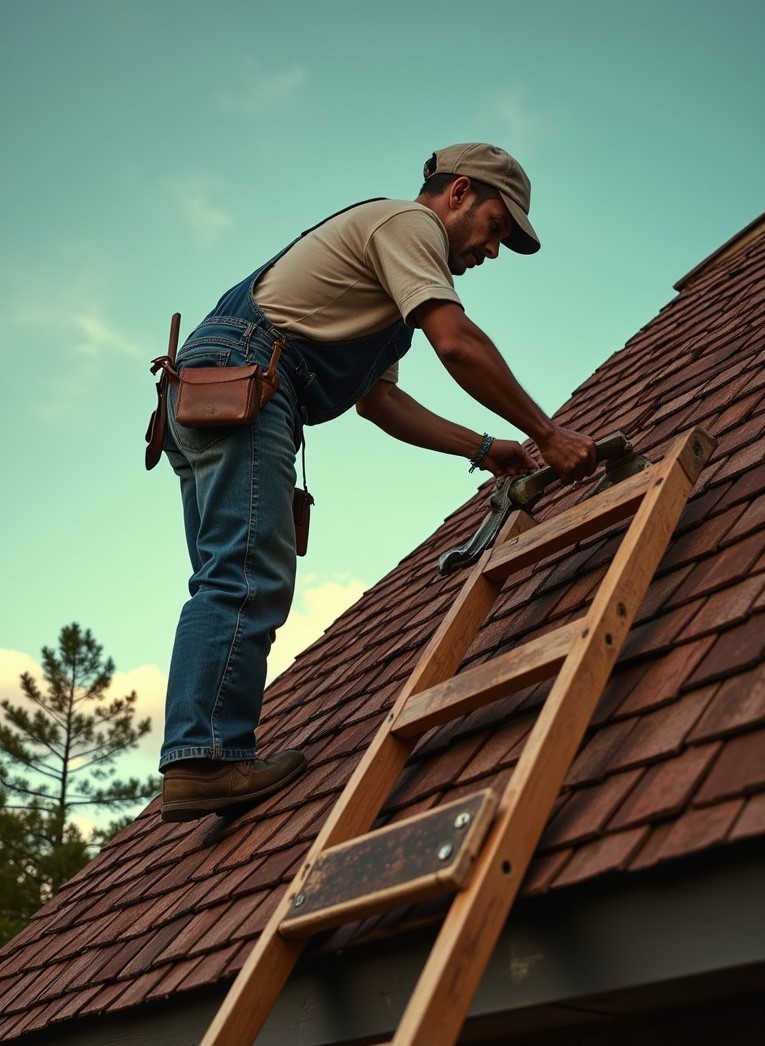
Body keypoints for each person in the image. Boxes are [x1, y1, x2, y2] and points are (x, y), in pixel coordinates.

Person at [158, 142, 596, 822]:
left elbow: (380, 404)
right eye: (496, 227)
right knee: (244, 575)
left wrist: (487, 448)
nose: (493, 251)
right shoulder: (407, 226)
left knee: (228, 572)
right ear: (457, 193)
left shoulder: (388, 302)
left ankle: (201, 750)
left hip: (218, 387)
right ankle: (204, 759)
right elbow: (457, 341)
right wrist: (547, 433)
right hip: (247, 383)